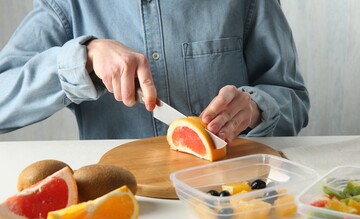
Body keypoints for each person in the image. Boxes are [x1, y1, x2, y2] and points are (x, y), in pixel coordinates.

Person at [0, 0, 310, 143]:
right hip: (119, 206)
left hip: (231, 199)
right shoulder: (67, 4)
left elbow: (293, 100)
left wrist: (255, 109)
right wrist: (83, 58)